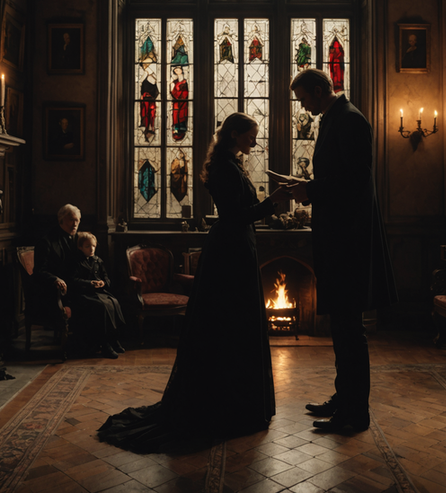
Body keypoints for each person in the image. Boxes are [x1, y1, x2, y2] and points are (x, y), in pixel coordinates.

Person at [98, 113, 291, 452]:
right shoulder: (223, 168)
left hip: (237, 249)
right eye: (250, 136)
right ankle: (223, 406)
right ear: (234, 134)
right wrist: (272, 203)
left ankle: (238, 403)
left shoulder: (232, 163)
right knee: (226, 327)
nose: (254, 142)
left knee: (237, 327)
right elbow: (234, 217)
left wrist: (269, 202)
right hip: (230, 253)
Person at [285, 69, 397, 433]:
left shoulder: (350, 120)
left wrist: (310, 191)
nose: (303, 107)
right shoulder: (335, 118)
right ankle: (343, 398)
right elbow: (339, 176)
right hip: (338, 240)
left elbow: (354, 180)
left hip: (349, 243)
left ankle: (354, 413)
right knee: (342, 328)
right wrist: (308, 186)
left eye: (304, 99)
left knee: (350, 330)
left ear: (319, 91)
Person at [68, 232, 126, 359]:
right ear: (80, 247)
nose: (91, 249)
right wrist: (90, 283)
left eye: (93, 246)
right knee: (101, 306)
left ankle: (113, 339)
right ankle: (104, 344)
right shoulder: (76, 262)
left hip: (98, 292)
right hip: (83, 294)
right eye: (88, 246)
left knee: (113, 302)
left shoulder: (98, 261)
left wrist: (103, 283)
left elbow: (106, 278)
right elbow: (72, 280)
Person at [34, 203, 81, 299]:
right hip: (57, 290)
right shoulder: (47, 241)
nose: (75, 224)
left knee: (110, 303)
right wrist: (55, 279)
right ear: (61, 220)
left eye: (77, 220)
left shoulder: (79, 239)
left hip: (77, 286)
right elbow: (39, 270)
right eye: (71, 220)